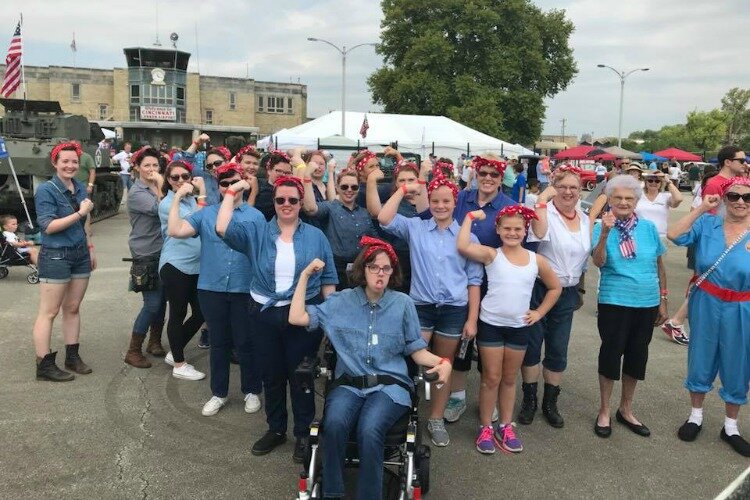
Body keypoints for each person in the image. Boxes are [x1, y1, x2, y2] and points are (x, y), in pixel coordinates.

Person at [288, 237, 452, 500]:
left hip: (390, 387)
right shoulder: (341, 302)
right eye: (374, 267)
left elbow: (416, 350)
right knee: (335, 423)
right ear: (362, 269)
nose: (380, 273)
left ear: (392, 272)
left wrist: (443, 363)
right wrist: (305, 276)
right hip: (349, 384)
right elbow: (296, 317)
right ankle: (333, 493)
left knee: (369, 427)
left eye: (386, 268)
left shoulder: (403, 304)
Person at [216, 175, 338, 462]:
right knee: (271, 374)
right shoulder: (257, 230)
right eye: (281, 199)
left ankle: (304, 433)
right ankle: (276, 429)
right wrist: (233, 191)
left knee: (302, 377)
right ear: (274, 202)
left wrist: (330, 320)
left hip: (302, 314)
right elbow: (222, 227)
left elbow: (329, 280)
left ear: (300, 203)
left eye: (293, 200)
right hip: (263, 312)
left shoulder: (316, 236)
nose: (287, 204)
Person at [378, 176, 483, 447]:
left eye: (446, 201)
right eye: (435, 200)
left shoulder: (467, 235)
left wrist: (472, 319)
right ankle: (403, 411)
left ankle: (435, 418)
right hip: (421, 307)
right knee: (410, 361)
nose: (440, 206)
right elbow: (384, 218)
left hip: (453, 308)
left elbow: (474, 280)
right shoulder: (416, 227)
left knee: (442, 365)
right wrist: (403, 189)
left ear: (454, 203)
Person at [457, 205, 561, 454]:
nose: (512, 233)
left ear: (525, 231)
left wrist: (539, 312)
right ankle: (485, 427)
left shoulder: (536, 260)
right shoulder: (492, 255)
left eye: (518, 229)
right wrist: (470, 218)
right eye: (507, 228)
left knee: (509, 378)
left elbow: (555, 288)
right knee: (490, 378)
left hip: (518, 328)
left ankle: (505, 425)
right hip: (491, 325)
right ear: (498, 230)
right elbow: (462, 246)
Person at [168, 163, 263, 416]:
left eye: (233, 181)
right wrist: (177, 196)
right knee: (219, 343)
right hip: (212, 287)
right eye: (224, 183)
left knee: (245, 342)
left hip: (244, 287)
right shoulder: (206, 214)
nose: (229, 187)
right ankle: (219, 393)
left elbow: (264, 253)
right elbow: (175, 230)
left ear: (242, 182)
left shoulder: (255, 216)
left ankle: (252, 389)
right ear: (218, 187)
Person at [668, 177, 750, 457]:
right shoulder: (707, 224)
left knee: (737, 361)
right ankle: (696, 416)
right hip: (707, 301)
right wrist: (701, 208)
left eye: (747, 198)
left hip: (742, 306)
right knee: (701, 355)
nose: (740, 202)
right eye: (734, 196)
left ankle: (731, 426)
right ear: (724, 199)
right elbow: (674, 235)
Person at [432, 156, 516, 424]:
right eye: (483, 172)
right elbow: (435, 215)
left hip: (496, 288)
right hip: (462, 285)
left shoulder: (508, 206)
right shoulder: (461, 199)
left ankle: (487, 400)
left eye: (494, 174)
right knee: (462, 347)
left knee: (490, 348)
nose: (488, 177)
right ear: (476, 174)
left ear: (502, 178)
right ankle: (457, 395)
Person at [591, 175, 667, 439]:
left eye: (629, 198)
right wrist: (604, 233)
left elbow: (658, 264)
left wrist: (663, 299)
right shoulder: (602, 226)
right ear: (609, 200)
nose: (623, 202)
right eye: (618, 198)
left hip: (647, 301)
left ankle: (626, 409)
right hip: (614, 300)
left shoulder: (647, 228)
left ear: (636, 200)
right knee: (611, 355)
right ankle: (604, 410)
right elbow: (598, 262)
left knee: (637, 355)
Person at [518, 166, 591, 428]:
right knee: (532, 346)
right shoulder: (545, 212)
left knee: (558, 349)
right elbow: (538, 233)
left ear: (580, 190)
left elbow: (585, 257)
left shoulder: (585, 219)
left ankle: (551, 402)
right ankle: (529, 400)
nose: (568, 192)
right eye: (562, 187)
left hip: (568, 292)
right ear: (554, 188)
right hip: (541, 289)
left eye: (573, 187)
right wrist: (542, 199)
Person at [32, 142, 96, 381]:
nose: (70, 165)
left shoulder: (79, 186)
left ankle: (72, 356)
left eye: (74, 162)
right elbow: (48, 226)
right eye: (65, 161)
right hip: (56, 254)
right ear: (55, 162)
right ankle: (44, 364)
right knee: (49, 312)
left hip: (80, 253)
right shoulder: (46, 190)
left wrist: (90, 247)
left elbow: (86, 219)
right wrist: (79, 212)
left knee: (73, 307)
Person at [159, 160, 207, 380]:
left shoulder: (192, 200)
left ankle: (175, 350)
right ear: (168, 181)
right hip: (175, 265)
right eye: (174, 177)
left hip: (196, 266)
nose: (180, 181)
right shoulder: (169, 203)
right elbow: (192, 224)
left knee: (200, 313)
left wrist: (201, 192)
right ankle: (179, 364)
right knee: (177, 314)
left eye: (185, 176)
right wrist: (181, 195)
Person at [662, 166, 719, 344]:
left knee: (702, 280)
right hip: (704, 238)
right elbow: (678, 231)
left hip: (715, 239)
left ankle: (677, 321)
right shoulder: (706, 200)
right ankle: (677, 321)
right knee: (702, 280)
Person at [123, 147, 168, 368]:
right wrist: (161, 183)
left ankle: (154, 342)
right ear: (137, 168)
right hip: (146, 252)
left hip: (163, 250)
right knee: (152, 303)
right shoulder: (137, 192)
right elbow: (162, 210)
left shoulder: (156, 186)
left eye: (155, 165)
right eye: (147, 165)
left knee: (161, 301)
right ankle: (133, 351)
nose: (151, 169)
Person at [301, 163, 376, 289]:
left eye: (354, 187)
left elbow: (375, 239)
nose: (349, 190)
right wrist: (307, 178)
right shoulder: (330, 207)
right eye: (344, 186)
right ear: (337, 187)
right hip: (335, 272)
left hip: (360, 271)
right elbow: (310, 208)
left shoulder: (364, 212)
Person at [365, 159, 430, 293]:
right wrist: (371, 181)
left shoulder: (429, 202)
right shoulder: (393, 204)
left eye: (411, 179)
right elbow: (376, 212)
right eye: (402, 180)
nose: (407, 184)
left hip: (425, 264)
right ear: (395, 182)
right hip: (400, 263)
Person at [254, 150, 294, 221]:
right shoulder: (257, 185)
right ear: (269, 170)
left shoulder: (293, 191)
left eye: (287, 172)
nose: (283, 175)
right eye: (279, 171)